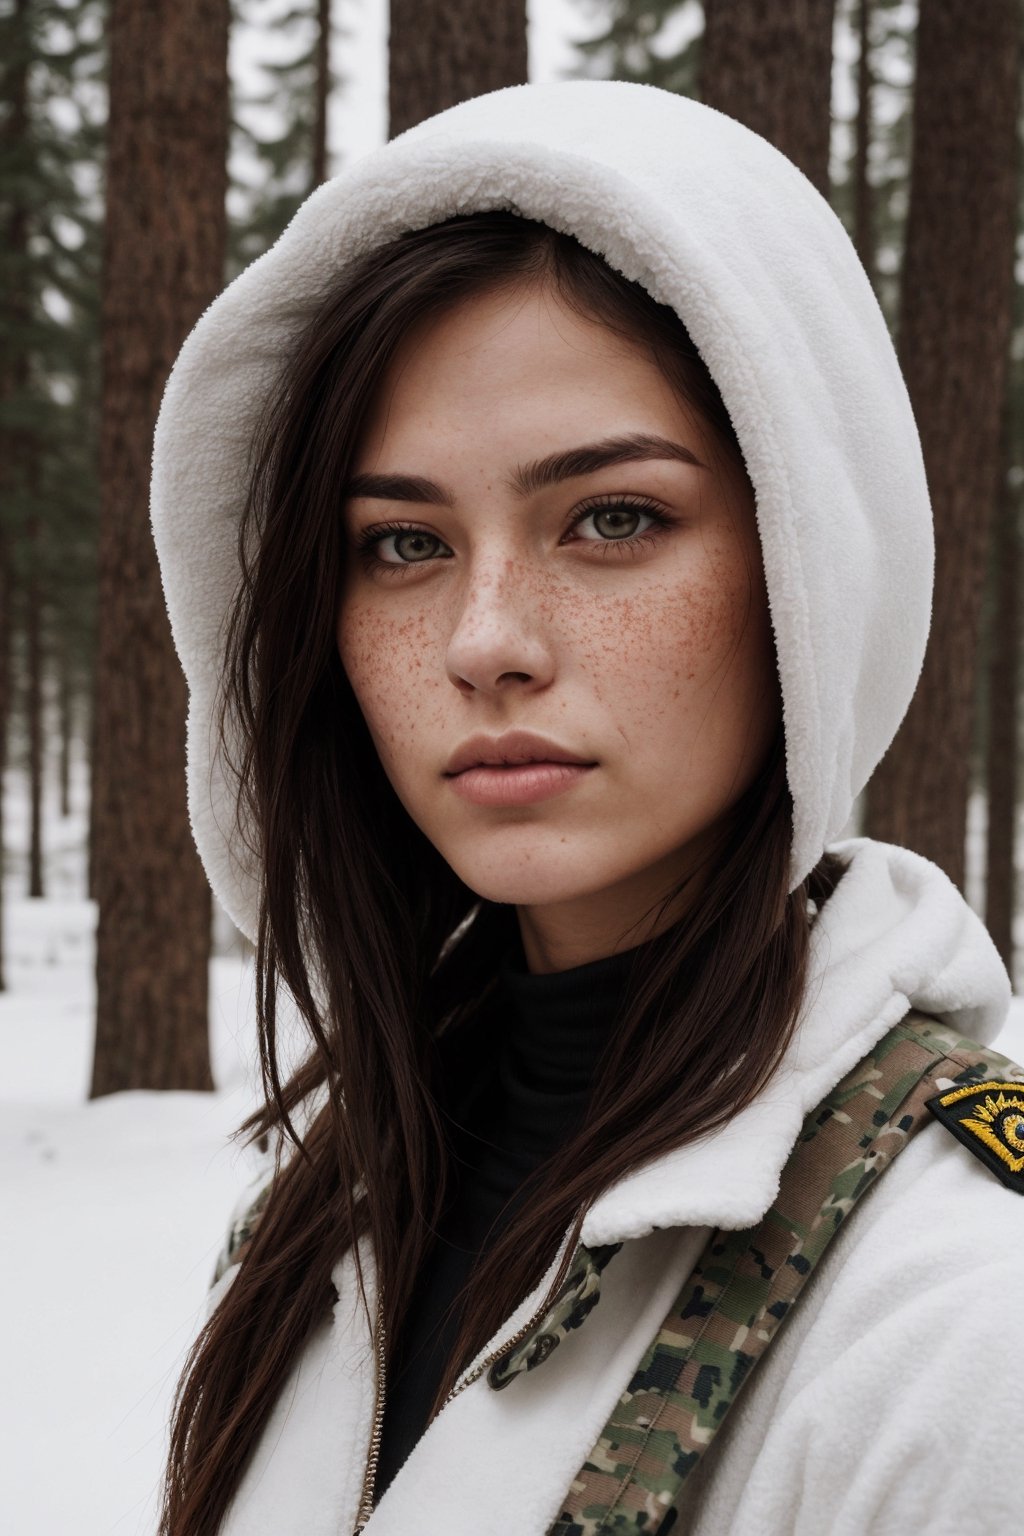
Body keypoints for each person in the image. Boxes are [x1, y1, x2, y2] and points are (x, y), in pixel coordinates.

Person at [150, 81, 1024, 1536]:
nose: (484, 639)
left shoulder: (955, 1320)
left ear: (808, 563)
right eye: (405, 542)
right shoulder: (346, 1204)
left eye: (613, 518)